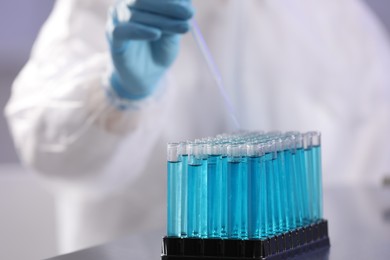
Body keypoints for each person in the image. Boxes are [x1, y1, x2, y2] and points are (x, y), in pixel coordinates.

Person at [5, 0, 390, 254]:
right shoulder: (111, 7)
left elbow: (376, 164)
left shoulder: (334, 14)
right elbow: (42, 143)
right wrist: (117, 92)